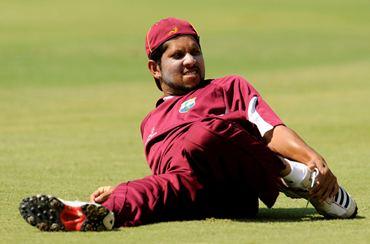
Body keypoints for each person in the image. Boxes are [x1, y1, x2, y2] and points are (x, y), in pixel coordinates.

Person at [19, 17, 357, 231]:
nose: (190, 60)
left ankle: (300, 179)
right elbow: (170, 173)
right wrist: (120, 192)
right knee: (138, 191)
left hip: (235, 184)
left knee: (202, 133)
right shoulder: (149, 122)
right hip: (192, 191)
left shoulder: (226, 87)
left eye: (195, 51)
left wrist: (312, 159)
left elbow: (269, 129)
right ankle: (89, 214)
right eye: (177, 55)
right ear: (155, 68)